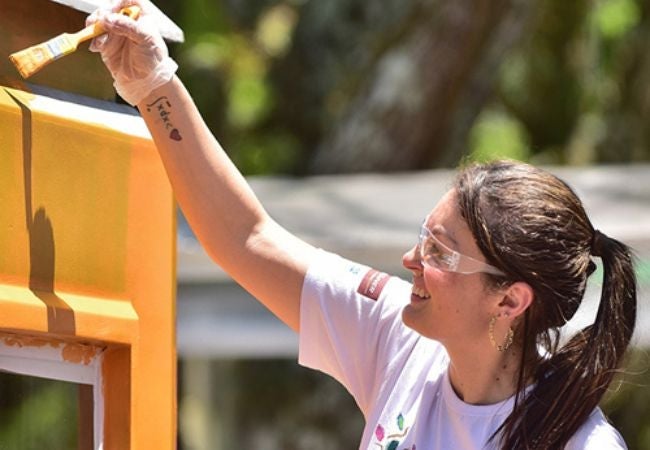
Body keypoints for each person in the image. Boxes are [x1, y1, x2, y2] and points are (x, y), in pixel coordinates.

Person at [86, 2, 637, 448]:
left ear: (511, 301)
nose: (410, 260)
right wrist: (154, 86)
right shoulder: (397, 333)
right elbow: (246, 238)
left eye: (441, 253)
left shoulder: (580, 445)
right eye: (424, 236)